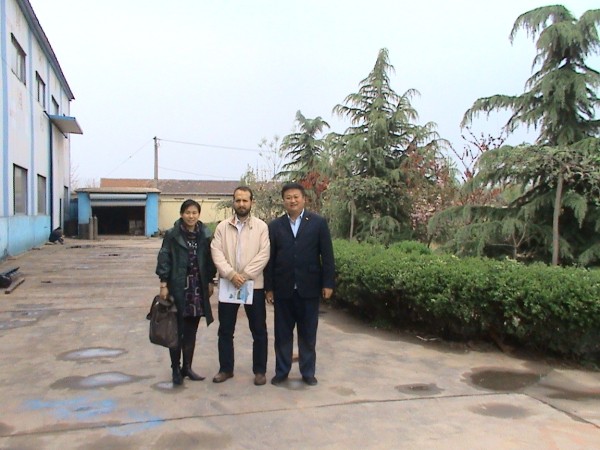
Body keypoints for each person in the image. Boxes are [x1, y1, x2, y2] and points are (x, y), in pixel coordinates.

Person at [265, 182, 335, 386]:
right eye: (288, 197)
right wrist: (269, 288)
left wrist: (328, 283)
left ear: (304, 199)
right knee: (282, 334)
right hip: (283, 289)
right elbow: (269, 259)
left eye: (296, 197)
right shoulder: (275, 226)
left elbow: (327, 255)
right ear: (283, 201)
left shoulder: (318, 223)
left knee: (308, 333)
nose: (292, 200)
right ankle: (282, 371)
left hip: (309, 288)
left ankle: (308, 372)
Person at [210, 186, 270, 386]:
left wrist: (244, 276)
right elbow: (216, 252)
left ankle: (260, 371)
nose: (241, 204)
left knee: (259, 330)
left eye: (245, 200)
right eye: (238, 200)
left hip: (254, 285)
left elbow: (264, 254)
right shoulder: (222, 227)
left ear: (252, 202)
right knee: (225, 330)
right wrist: (230, 274)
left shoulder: (261, 227)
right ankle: (225, 369)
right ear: (233, 202)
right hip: (229, 286)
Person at [156, 199, 216, 386]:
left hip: (197, 288)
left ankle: (187, 367)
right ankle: (176, 368)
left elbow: (210, 260)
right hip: (178, 286)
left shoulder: (205, 234)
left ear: (199, 214)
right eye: (187, 212)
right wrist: (164, 283)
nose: (191, 216)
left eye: (194, 213)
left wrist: (210, 280)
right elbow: (164, 257)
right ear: (181, 214)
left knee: (191, 331)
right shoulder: (173, 234)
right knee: (176, 330)